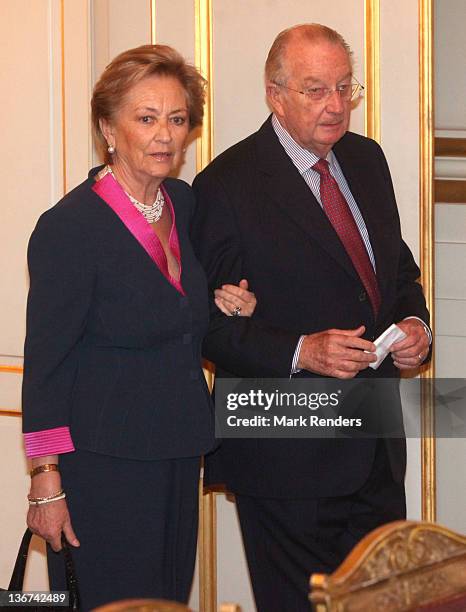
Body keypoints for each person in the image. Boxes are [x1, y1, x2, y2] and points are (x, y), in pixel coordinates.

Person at [191, 24, 431, 612]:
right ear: (275, 95)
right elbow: (212, 326)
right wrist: (303, 351)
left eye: (345, 89)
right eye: (316, 89)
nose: (335, 105)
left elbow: (398, 275)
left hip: (374, 449)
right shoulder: (225, 185)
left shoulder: (366, 159)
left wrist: (417, 328)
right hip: (284, 458)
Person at [22, 44, 256, 612]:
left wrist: (221, 300)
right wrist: (46, 478)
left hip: (178, 450)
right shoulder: (69, 228)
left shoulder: (181, 201)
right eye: (145, 118)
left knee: (167, 601)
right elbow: (46, 366)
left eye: (176, 120)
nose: (164, 136)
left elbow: (172, 309)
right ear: (108, 127)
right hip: (103, 466)